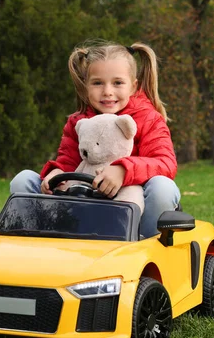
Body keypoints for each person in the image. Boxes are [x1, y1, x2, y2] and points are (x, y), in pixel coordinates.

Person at [9, 40, 180, 238]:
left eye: (117, 83)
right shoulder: (78, 122)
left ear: (133, 87)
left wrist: (123, 170)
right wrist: (57, 171)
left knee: (163, 187)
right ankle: (37, 236)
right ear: (86, 86)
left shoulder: (149, 118)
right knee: (23, 180)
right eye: (98, 83)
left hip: (132, 202)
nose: (107, 91)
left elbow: (165, 163)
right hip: (86, 203)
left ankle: (147, 242)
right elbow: (69, 160)